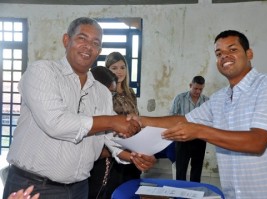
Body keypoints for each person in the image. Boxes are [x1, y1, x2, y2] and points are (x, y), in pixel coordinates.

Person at [131, 30, 267, 198]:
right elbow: (183, 119)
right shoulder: (220, 98)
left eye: (232, 50)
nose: (224, 56)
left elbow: (257, 142)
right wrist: (142, 120)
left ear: (249, 54)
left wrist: (198, 130)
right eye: (219, 53)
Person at [3, 17, 155, 199]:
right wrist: (113, 121)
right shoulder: (42, 72)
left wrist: (132, 156)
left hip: (80, 189)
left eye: (95, 43)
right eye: (82, 38)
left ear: (99, 51)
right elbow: (56, 123)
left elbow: (108, 137)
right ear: (66, 40)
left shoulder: (102, 92)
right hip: (33, 187)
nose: (88, 46)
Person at [88, 52, 142, 199]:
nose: (119, 71)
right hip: (108, 151)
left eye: (122, 67)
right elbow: (106, 127)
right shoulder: (104, 95)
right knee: (109, 189)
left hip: (128, 145)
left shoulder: (129, 92)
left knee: (130, 188)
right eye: (114, 68)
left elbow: (135, 118)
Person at [170, 75, 209, 182]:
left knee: (197, 167)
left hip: (200, 139)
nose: (198, 91)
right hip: (182, 138)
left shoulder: (206, 101)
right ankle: (179, 194)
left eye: (200, 89)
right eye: (195, 88)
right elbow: (172, 117)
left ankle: (194, 190)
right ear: (190, 85)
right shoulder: (179, 98)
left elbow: (210, 119)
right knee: (181, 168)